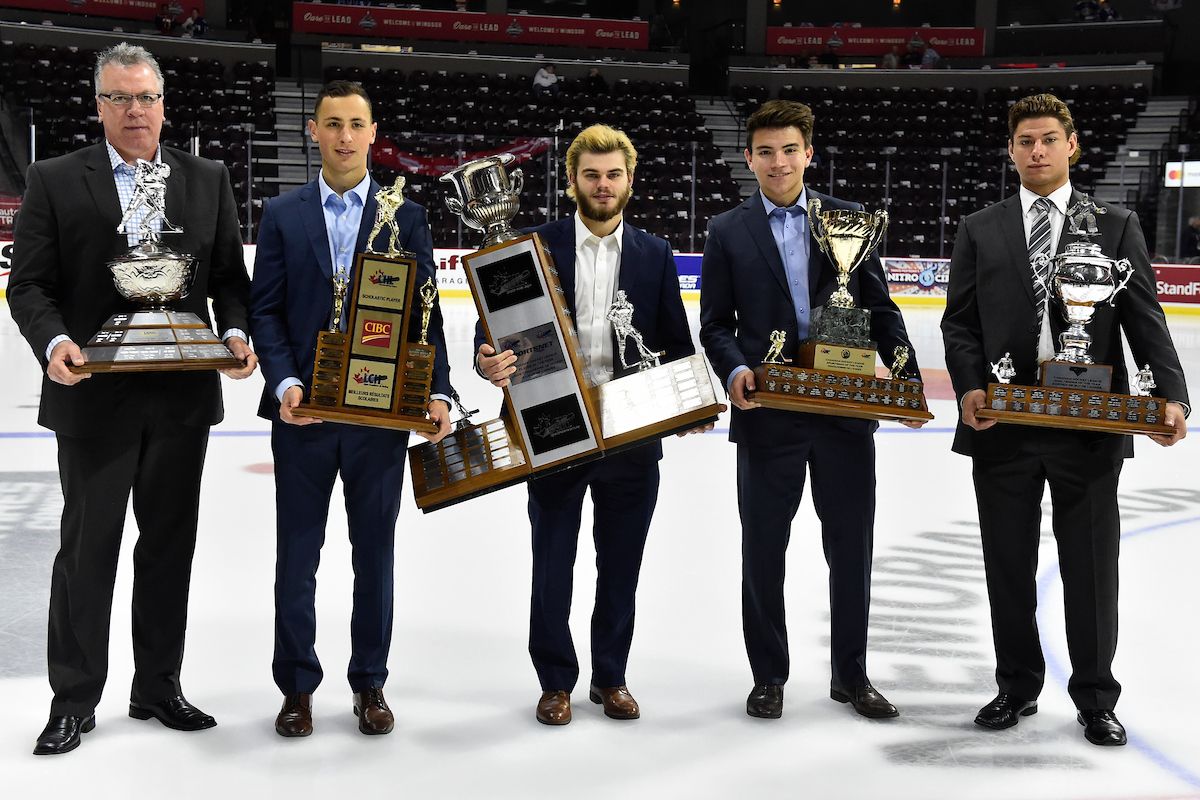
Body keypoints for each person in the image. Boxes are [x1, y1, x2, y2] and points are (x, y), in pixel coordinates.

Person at [7, 42, 256, 756]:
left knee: (170, 547)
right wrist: (56, 345)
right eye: (120, 98)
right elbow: (28, 285)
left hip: (181, 399)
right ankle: (74, 699)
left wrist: (235, 333)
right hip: (93, 399)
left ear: (163, 103)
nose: (135, 110)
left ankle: (158, 686)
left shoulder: (206, 178)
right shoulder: (55, 179)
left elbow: (228, 281)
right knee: (88, 553)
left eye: (146, 97)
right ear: (99, 105)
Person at [941, 92, 1189, 747]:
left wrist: (1172, 394)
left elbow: (1145, 319)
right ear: (1012, 149)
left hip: (1088, 424)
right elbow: (959, 325)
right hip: (1004, 425)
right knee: (1007, 565)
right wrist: (968, 387)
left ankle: (1096, 697)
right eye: (1025, 141)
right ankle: (1016, 686)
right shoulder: (980, 228)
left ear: (1071, 145)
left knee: (1090, 567)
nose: (1037, 151)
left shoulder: (1114, 224)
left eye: (1048, 138)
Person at [699, 100, 923, 722]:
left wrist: (904, 380)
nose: (778, 162)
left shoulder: (849, 220)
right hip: (768, 412)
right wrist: (736, 369)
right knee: (763, 551)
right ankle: (768, 674)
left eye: (789, 150)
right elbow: (715, 324)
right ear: (748, 158)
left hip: (844, 412)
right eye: (765, 152)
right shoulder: (727, 231)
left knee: (851, 549)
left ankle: (851, 676)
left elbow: (881, 309)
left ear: (809, 153)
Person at [475, 124, 705, 725]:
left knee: (620, 564)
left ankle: (610, 677)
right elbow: (492, 333)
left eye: (613, 175)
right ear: (572, 181)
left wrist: (690, 402)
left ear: (630, 180)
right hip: (554, 428)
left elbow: (677, 344)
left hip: (631, 437)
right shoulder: (537, 246)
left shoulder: (655, 254)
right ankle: (555, 681)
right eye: (591, 175)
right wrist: (487, 360)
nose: (603, 186)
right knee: (552, 563)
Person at [249, 81, 453, 739]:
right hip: (304, 414)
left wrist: (438, 392)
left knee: (375, 555)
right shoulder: (282, 213)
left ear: (372, 133)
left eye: (355, 124)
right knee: (296, 558)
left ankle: (370, 684)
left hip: (377, 417)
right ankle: (297, 688)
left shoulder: (406, 215)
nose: (342, 136)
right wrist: (284, 385)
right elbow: (267, 312)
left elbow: (427, 315)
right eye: (331, 123)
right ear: (313, 131)